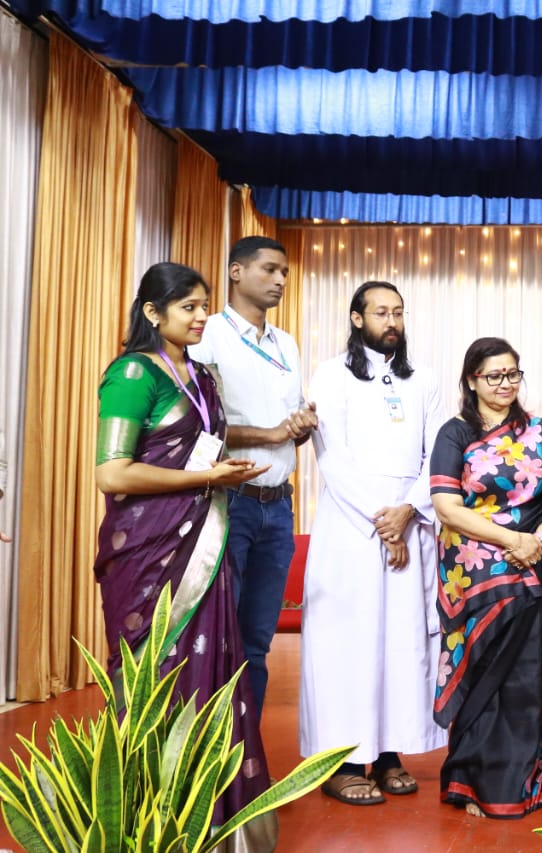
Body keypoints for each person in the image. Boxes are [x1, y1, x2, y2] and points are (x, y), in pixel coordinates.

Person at [93, 262, 276, 849]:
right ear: (153, 312)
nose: (201, 317)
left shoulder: (203, 376)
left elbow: (202, 451)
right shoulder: (132, 373)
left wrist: (222, 471)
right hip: (148, 549)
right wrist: (206, 478)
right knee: (155, 671)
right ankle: (146, 819)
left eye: (203, 306)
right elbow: (112, 473)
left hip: (205, 536)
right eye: (188, 307)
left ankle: (213, 822)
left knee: (213, 665)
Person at [299, 280, 449, 805]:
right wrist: (382, 522)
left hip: (410, 521)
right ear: (357, 318)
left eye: (398, 313)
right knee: (348, 644)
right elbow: (332, 457)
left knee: (402, 645)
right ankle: (340, 763)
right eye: (381, 312)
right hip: (351, 528)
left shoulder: (424, 378)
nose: (392, 322)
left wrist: (408, 512)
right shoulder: (331, 374)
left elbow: (437, 455)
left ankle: (388, 755)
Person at [430, 337, 542, 819]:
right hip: (474, 569)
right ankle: (475, 781)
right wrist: (512, 540)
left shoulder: (539, 431)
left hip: (530, 561)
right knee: (485, 672)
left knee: (530, 674)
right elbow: (447, 508)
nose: (505, 384)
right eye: (494, 376)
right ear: (472, 380)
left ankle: (533, 781)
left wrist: (538, 538)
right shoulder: (455, 434)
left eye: (513, 374)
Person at [188, 236, 316, 725]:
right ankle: (210, 751)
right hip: (227, 502)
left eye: (285, 272)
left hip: (278, 506)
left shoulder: (286, 344)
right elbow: (198, 425)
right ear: (236, 272)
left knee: (257, 642)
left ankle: (247, 753)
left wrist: (301, 426)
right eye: (270, 269)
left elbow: (291, 427)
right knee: (217, 637)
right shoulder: (207, 335)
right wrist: (272, 433)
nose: (280, 280)